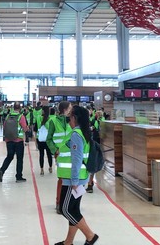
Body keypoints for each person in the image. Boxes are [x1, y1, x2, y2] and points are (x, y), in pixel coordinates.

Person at [54, 105, 99, 245]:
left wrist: (74, 181)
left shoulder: (76, 135)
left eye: (70, 116)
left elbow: (77, 159)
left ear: (75, 118)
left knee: (65, 209)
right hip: (78, 177)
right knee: (73, 209)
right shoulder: (82, 132)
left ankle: (90, 236)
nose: (69, 119)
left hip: (72, 179)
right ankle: (68, 242)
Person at [46, 101, 73, 214]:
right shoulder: (53, 121)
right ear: (65, 109)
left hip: (72, 154)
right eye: (70, 107)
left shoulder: (72, 121)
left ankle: (70, 203)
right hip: (60, 155)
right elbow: (49, 139)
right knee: (62, 179)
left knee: (73, 179)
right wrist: (54, 150)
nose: (71, 109)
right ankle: (59, 203)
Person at [0, 102, 29, 183]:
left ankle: (2, 171)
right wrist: (27, 128)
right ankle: (19, 177)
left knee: (9, 157)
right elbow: (25, 129)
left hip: (9, 140)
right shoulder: (21, 117)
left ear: (13, 108)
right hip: (18, 141)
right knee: (19, 159)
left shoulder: (8, 116)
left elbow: (4, 127)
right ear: (20, 108)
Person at [87, 110, 104, 193]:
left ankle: (90, 183)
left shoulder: (100, 120)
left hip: (94, 142)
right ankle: (90, 183)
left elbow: (96, 128)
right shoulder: (93, 121)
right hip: (94, 142)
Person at [36, 106, 54, 176]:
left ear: (43, 111)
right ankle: (50, 167)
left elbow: (38, 127)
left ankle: (42, 169)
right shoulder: (50, 119)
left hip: (40, 139)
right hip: (48, 139)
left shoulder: (38, 118)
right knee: (49, 154)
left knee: (41, 154)